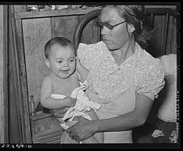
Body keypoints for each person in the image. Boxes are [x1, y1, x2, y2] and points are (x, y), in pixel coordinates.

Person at [62, 5, 165, 143]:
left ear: (131, 26)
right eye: (101, 24)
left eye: (110, 25)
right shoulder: (89, 54)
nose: (103, 31)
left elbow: (139, 117)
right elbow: (59, 87)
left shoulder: (148, 67)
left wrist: (93, 126)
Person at [40, 37, 103, 143]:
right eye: (60, 61)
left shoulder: (74, 74)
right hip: (70, 116)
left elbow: (89, 80)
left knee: (99, 131)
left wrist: (79, 66)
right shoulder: (49, 80)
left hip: (85, 109)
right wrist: (62, 102)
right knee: (89, 139)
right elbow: (44, 100)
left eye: (71, 60)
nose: (66, 64)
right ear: (48, 63)